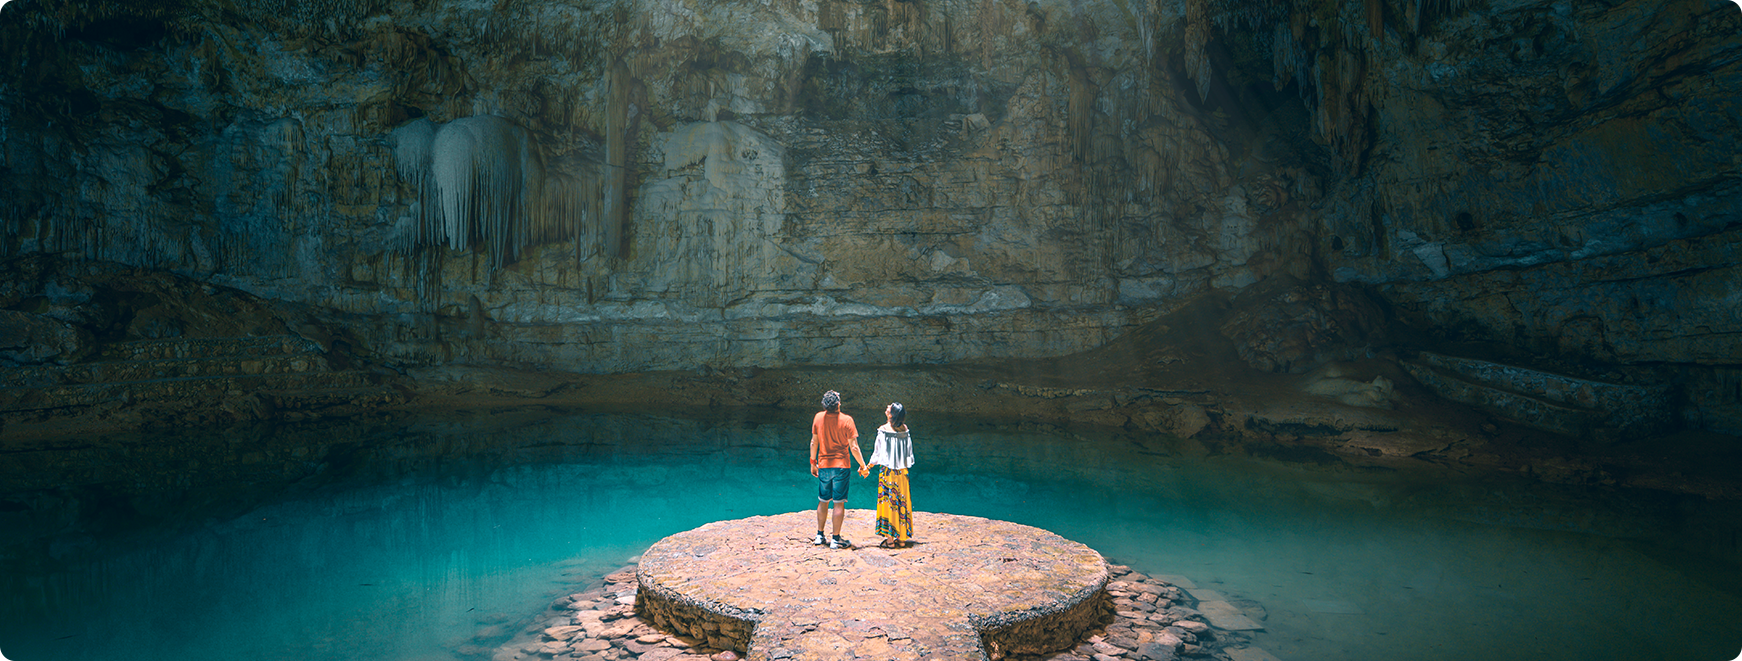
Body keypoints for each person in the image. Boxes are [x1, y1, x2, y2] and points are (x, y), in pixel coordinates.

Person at [810, 390, 867, 549]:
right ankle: (835, 539)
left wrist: (813, 463)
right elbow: (854, 447)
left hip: (823, 465)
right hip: (841, 466)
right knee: (838, 502)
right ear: (839, 404)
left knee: (823, 500)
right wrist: (863, 466)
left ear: (824, 405)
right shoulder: (847, 420)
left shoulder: (818, 417)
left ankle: (819, 535)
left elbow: (814, 443)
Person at [864, 401, 915, 548]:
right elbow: (909, 453)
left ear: (891, 414)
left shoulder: (883, 430)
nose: (887, 407)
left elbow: (877, 453)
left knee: (889, 504)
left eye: (889, 407)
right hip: (902, 472)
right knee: (902, 503)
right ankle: (902, 538)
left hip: (888, 473)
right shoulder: (904, 430)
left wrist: (868, 467)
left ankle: (890, 540)